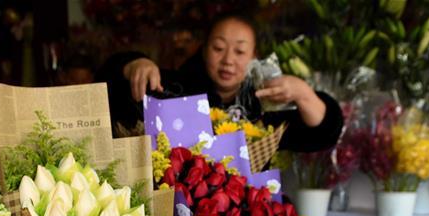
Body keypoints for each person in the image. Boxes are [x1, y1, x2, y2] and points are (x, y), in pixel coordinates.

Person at [97, 11, 343, 152]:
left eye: (239, 52)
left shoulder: (264, 103)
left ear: (254, 56)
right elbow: (108, 88)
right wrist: (134, 64)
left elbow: (322, 134)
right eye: (218, 48)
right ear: (204, 50)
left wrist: (304, 94)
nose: (228, 60)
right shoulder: (173, 90)